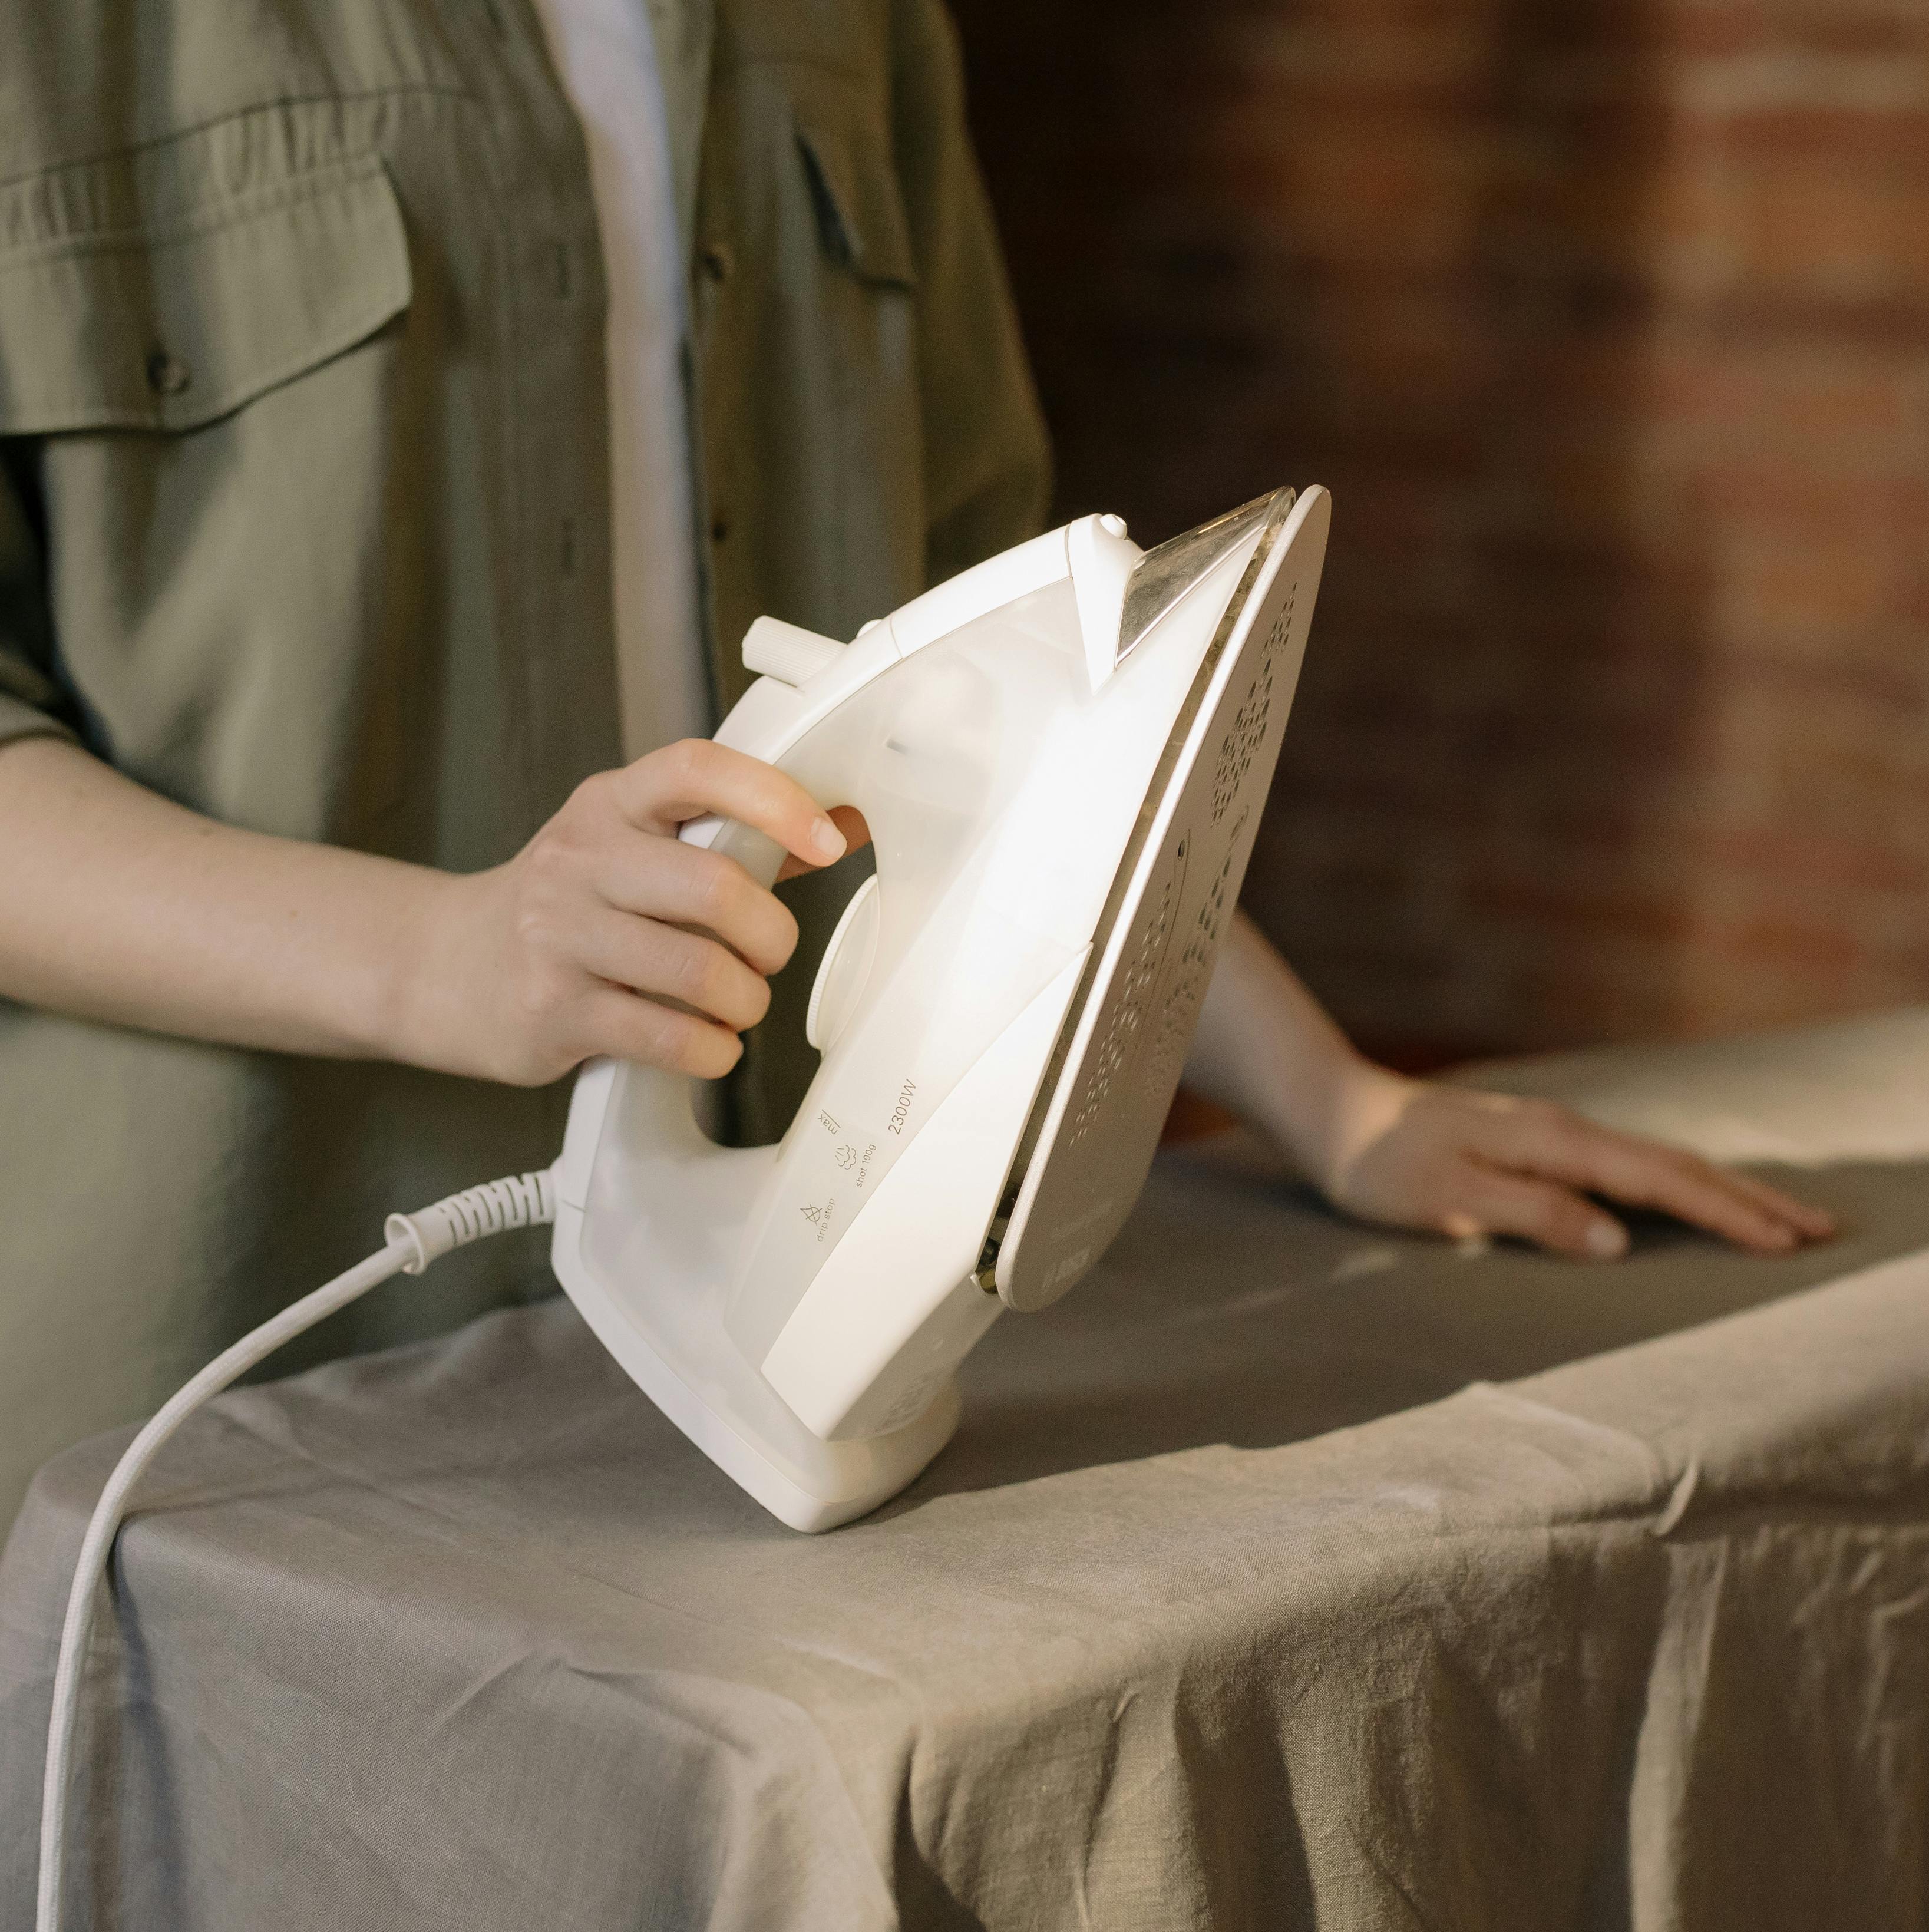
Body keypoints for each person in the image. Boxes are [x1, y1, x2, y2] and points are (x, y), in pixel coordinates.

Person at [0, 0, 1831, 1528]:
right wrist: (450, 959)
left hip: (723, 1376)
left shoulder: (847, 22)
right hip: (213, 1382)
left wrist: (1331, 1101)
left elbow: (1000, 667)